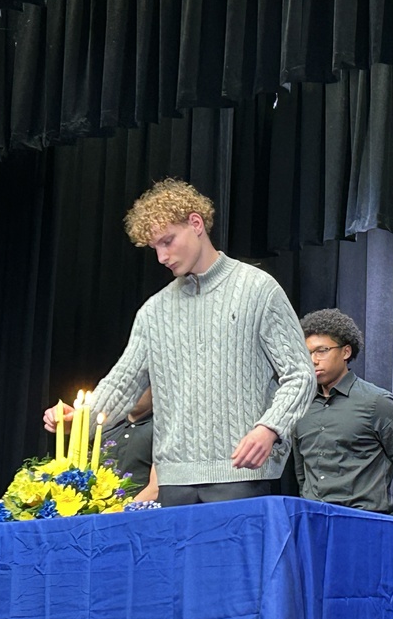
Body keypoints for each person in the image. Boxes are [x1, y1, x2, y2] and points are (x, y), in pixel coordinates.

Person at [43, 178, 315, 505]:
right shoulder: (153, 311)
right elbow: (123, 382)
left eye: (167, 241)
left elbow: (300, 374)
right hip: (173, 481)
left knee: (230, 559)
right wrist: (79, 419)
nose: (161, 256)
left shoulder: (258, 289)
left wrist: (270, 428)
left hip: (239, 473)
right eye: (155, 247)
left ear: (196, 224)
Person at [292, 309, 393, 513]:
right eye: (307, 352)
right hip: (313, 521)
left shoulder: (377, 403)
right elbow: (302, 473)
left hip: (363, 521)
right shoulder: (302, 407)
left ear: (346, 352)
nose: (313, 360)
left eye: (321, 350)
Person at [100, 386, 157, 500]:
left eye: (141, 385)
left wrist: (122, 511)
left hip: (142, 513)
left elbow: (156, 488)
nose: (131, 392)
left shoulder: (161, 429)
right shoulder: (107, 428)